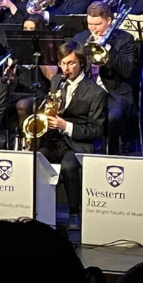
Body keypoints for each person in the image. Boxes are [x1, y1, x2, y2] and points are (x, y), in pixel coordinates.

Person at [38, 41, 107, 230]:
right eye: (63, 63)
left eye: (71, 63)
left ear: (81, 63)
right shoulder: (56, 81)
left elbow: (97, 130)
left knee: (68, 165)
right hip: (56, 141)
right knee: (37, 159)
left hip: (79, 144)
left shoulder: (96, 93)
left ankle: (74, 213)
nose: (66, 68)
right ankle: (40, 210)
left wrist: (66, 125)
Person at [73, 1, 137, 154]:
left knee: (112, 117)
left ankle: (110, 155)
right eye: (90, 24)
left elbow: (128, 71)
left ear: (109, 21)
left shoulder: (125, 39)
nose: (92, 28)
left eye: (97, 24)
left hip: (112, 94)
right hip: (86, 92)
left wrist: (107, 51)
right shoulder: (80, 38)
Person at [7, 14, 59, 142]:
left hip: (39, 92)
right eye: (25, 29)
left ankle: (28, 141)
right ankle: (10, 141)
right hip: (20, 90)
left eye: (32, 29)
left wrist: (38, 53)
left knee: (23, 105)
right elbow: (11, 77)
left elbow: (52, 77)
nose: (28, 33)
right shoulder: (18, 48)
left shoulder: (49, 48)